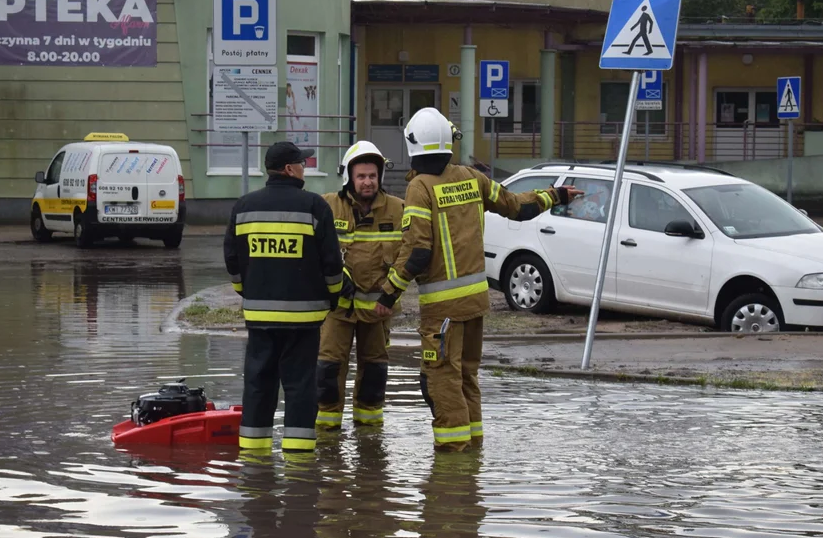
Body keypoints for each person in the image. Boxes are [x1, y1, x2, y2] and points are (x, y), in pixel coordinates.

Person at [374, 107, 579, 453]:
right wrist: (554, 195)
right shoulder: (472, 178)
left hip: (442, 310)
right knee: (467, 376)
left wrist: (388, 295)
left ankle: (453, 469)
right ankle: (474, 454)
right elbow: (518, 207)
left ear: (412, 145)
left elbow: (417, 252)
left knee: (441, 378)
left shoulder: (419, 188)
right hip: (475, 304)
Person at [224, 141, 348, 454]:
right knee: (301, 386)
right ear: (290, 168)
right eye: (302, 164)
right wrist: (335, 298)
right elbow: (332, 265)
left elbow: (232, 262)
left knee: (257, 384)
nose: (305, 169)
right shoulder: (314, 206)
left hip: (259, 319)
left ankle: (253, 456)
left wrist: (247, 292)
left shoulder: (243, 207)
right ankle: (299, 459)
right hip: (304, 321)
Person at [316, 141, 405, 432]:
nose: (367, 182)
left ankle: (370, 438)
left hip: (379, 311)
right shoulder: (327, 205)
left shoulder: (397, 209)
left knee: (375, 373)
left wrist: (391, 296)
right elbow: (310, 248)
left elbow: (410, 255)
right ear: (349, 178)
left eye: (372, 176)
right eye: (361, 176)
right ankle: (327, 436)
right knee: (328, 369)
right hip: (337, 310)